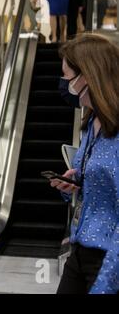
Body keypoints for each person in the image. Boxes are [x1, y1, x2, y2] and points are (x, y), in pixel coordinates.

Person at [53, 34, 119, 294]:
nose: (64, 84)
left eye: (67, 77)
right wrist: (71, 183)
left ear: (88, 76)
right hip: (80, 248)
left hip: (108, 259)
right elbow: (91, 183)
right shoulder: (92, 123)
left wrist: (105, 285)